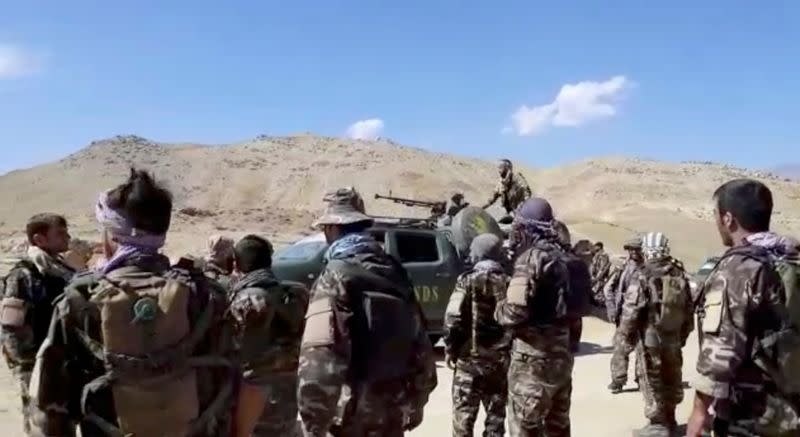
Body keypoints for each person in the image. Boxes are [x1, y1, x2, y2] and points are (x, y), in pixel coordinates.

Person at [28, 169, 237, 437]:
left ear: (113, 235)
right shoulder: (207, 294)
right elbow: (229, 382)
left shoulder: (80, 299)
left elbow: (50, 402)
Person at [297, 187, 437, 437]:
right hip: (392, 410)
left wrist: (313, 424)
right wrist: (416, 403)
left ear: (331, 229)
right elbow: (422, 346)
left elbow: (319, 359)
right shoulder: (395, 271)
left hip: (352, 415)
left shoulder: (335, 275)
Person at [687, 179, 800, 437]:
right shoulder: (791, 258)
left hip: (756, 414)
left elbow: (720, 352)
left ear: (728, 219)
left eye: (716, 215)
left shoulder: (738, 270)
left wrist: (699, 412)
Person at [495, 197, 573, 436]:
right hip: (562, 358)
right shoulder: (565, 258)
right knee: (558, 427)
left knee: (525, 427)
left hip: (532, 362)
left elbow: (514, 312)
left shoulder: (530, 259)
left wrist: (498, 308)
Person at [0, 213, 74, 435]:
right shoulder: (24, 275)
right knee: (43, 425)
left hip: (64, 361)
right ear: (39, 240)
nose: (67, 237)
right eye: (59, 233)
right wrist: (30, 367)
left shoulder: (62, 272)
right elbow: (11, 328)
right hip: (38, 364)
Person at [229, 234, 309, 437]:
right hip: (289, 397)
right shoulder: (296, 295)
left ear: (237, 266)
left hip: (252, 402)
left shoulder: (244, 300)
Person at [615, 232, 693, 436]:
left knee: (651, 378)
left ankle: (658, 425)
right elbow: (689, 310)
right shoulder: (679, 272)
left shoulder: (644, 273)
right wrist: (682, 336)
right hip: (673, 337)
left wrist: (624, 337)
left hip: (651, 338)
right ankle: (671, 420)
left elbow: (631, 310)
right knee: (672, 376)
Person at [444, 233, 511, 437]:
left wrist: (450, 349)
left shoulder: (466, 281)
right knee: (495, 420)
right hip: (499, 364)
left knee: (463, 420)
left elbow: (452, 318)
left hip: (469, 363)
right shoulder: (509, 283)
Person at [607, 238, 645, 394]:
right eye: (631, 249)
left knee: (642, 349)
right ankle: (618, 380)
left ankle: (641, 379)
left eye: (637, 249)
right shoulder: (622, 267)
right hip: (624, 314)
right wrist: (611, 309)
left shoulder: (648, 268)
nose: (634, 252)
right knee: (620, 348)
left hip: (643, 315)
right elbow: (609, 288)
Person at [554, 220, 592, 353]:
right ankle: (574, 344)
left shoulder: (553, 260)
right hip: (576, 307)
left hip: (562, 310)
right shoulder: (578, 262)